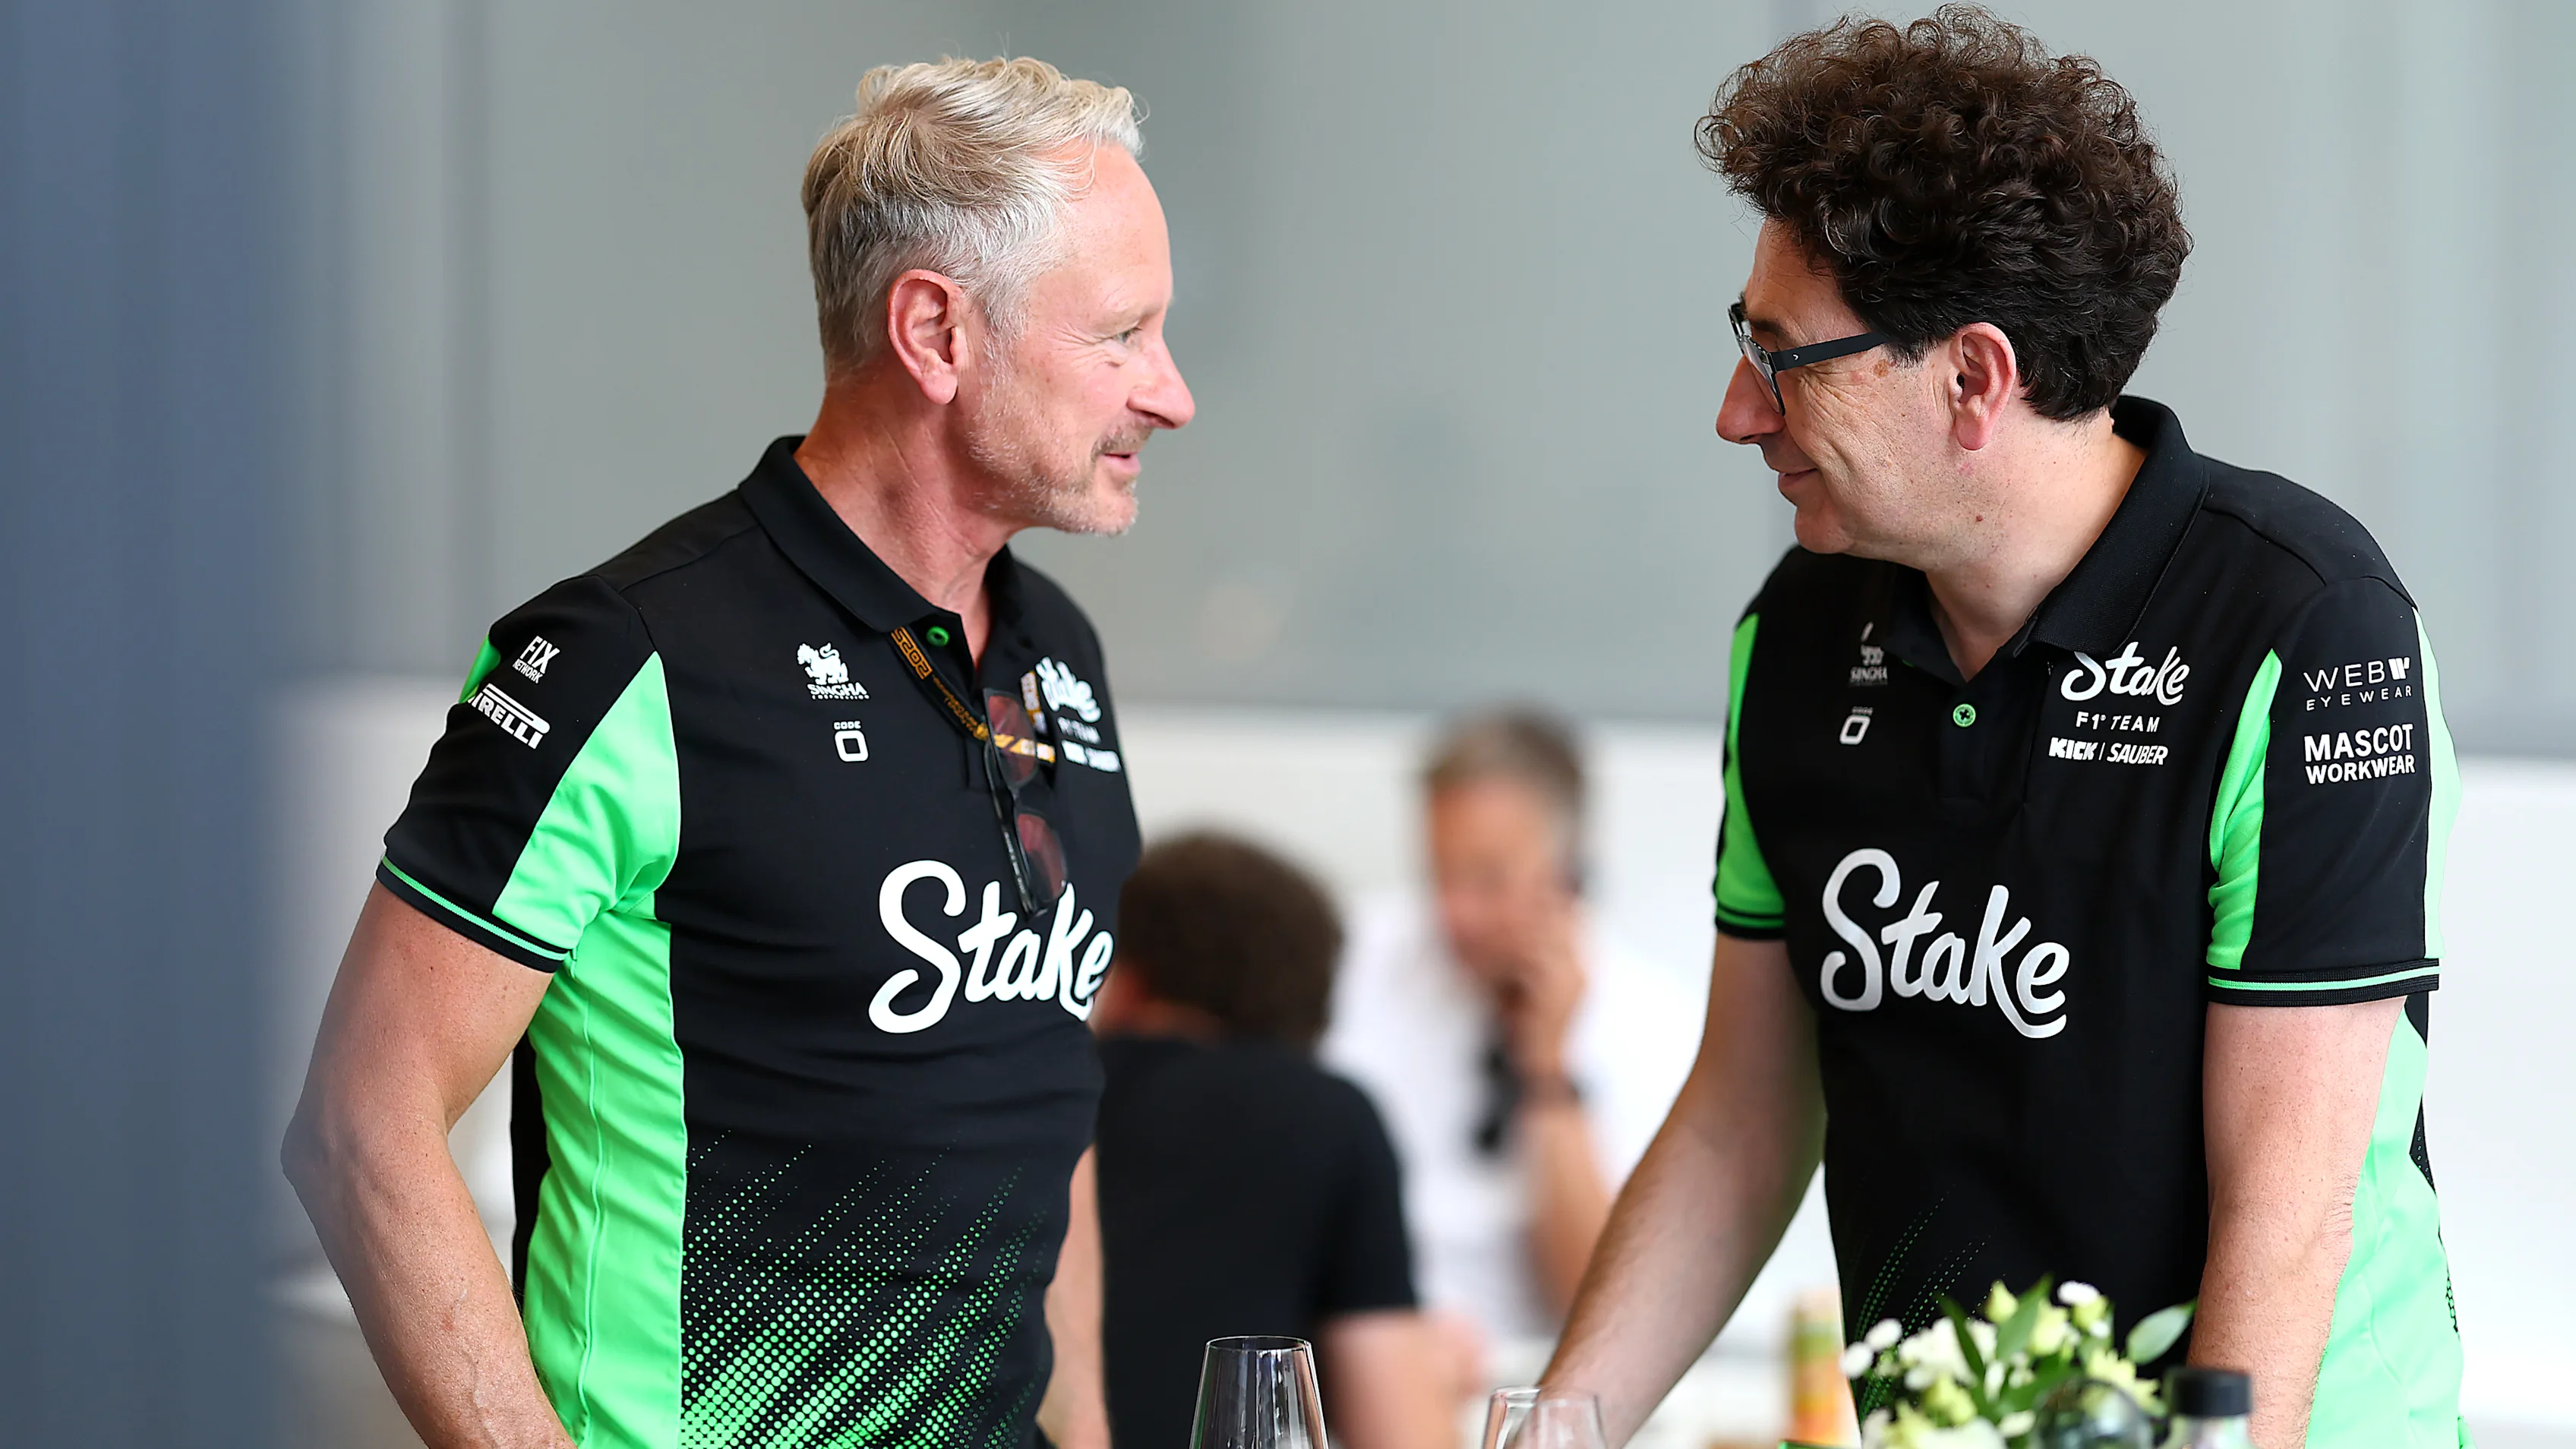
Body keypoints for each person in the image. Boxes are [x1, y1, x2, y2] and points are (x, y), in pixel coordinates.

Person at [1542, 11, 2465, 1449]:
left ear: (1971, 377)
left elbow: (2288, 1210)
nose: (1736, 411)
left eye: (1779, 354)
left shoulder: (2300, 623)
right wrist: (1554, 1426)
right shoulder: (1792, 630)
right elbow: (1739, 1115)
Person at [283, 57, 1192, 1449]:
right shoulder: (623, 654)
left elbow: (1031, 1110)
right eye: (1122, 334)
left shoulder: (1056, 646)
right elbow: (361, 1124)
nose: (1171, 394)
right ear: (937, 333)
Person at [1322, 712, 1700, 1353]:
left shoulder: (1655, 1024)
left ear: (1569, 872)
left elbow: (1598, 1305)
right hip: (1359, 1360)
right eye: (1440, 874)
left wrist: (1549, 1072)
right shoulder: (1356, 957)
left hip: (1532, 1387)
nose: (1456, 913)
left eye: (1488, 878)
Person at [1090, 833, 1456, 1449]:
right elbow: (1401, 1433)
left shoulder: (1044, 1102)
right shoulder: (1331, 1117)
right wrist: (1438, 1376)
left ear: (1129, 976)